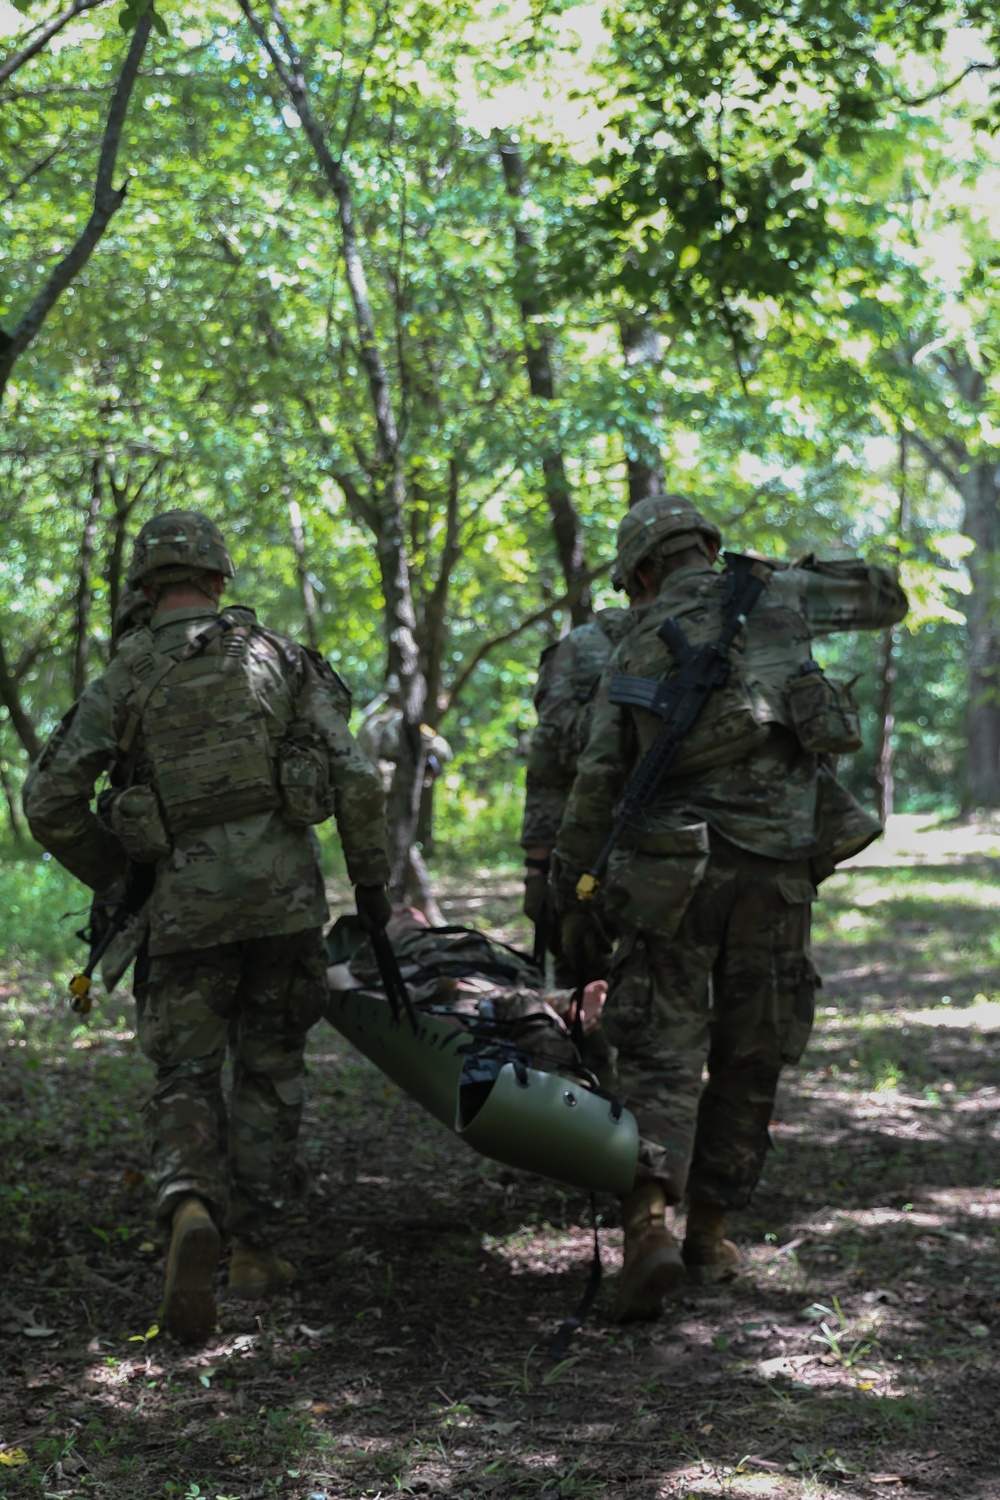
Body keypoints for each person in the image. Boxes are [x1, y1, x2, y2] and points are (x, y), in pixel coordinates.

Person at [23, 510, 391, 1344]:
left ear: (145, 590)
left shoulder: (123, 676)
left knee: (184, 1073)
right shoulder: (282, 659)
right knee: (268, 1070)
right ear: (221, 580)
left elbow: (47, 803)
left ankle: (190, 1205)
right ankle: (258, 1253)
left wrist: (123, 877)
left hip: (181, 912)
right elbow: (358, 778)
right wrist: (371, 883)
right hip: (284, 907)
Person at [553, 493, 908, 1321]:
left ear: (642, 571)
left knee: (659, 1051)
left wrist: (572, 884)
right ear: (707, 547)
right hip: (775, 873)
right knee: (754, 1048)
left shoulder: (631, 636)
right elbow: (886, 597)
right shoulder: (783, 597)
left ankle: (649, 1224)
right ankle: (710, 1234)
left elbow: (599, 774)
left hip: (671, 877)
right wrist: (798, 573)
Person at [357, 677, 452, 922]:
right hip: (396, 804)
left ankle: (405, 912)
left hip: (371, 806)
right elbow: (444, 752)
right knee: (403, 854)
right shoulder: (412, 726)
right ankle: (425, 911)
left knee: (393, 855)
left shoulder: (371, 725)